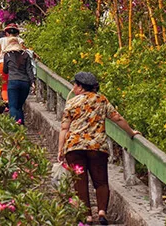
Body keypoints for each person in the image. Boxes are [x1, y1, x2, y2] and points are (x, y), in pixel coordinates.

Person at [58, 72, 140, 225]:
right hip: (96, 147)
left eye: (75, 85)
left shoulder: (72, 103)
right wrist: (131, 132)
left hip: (74, 147)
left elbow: (64, 128)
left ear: (81, 87)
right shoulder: (101, 100)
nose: (74, 87)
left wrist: (60, 149)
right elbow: (118, 118)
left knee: (80, 181)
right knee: (101, 181)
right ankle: (102, 212)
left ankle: (87, 216)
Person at [0, 24, 35, 124]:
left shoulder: (8, 55)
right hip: (25, 83)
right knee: (19, 105)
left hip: (13, 82)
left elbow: (5, 70)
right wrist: (32, 82)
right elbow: (29, 69)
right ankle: (21, 124)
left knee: (13, 106)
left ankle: (15, 126)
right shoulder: (25, 54)